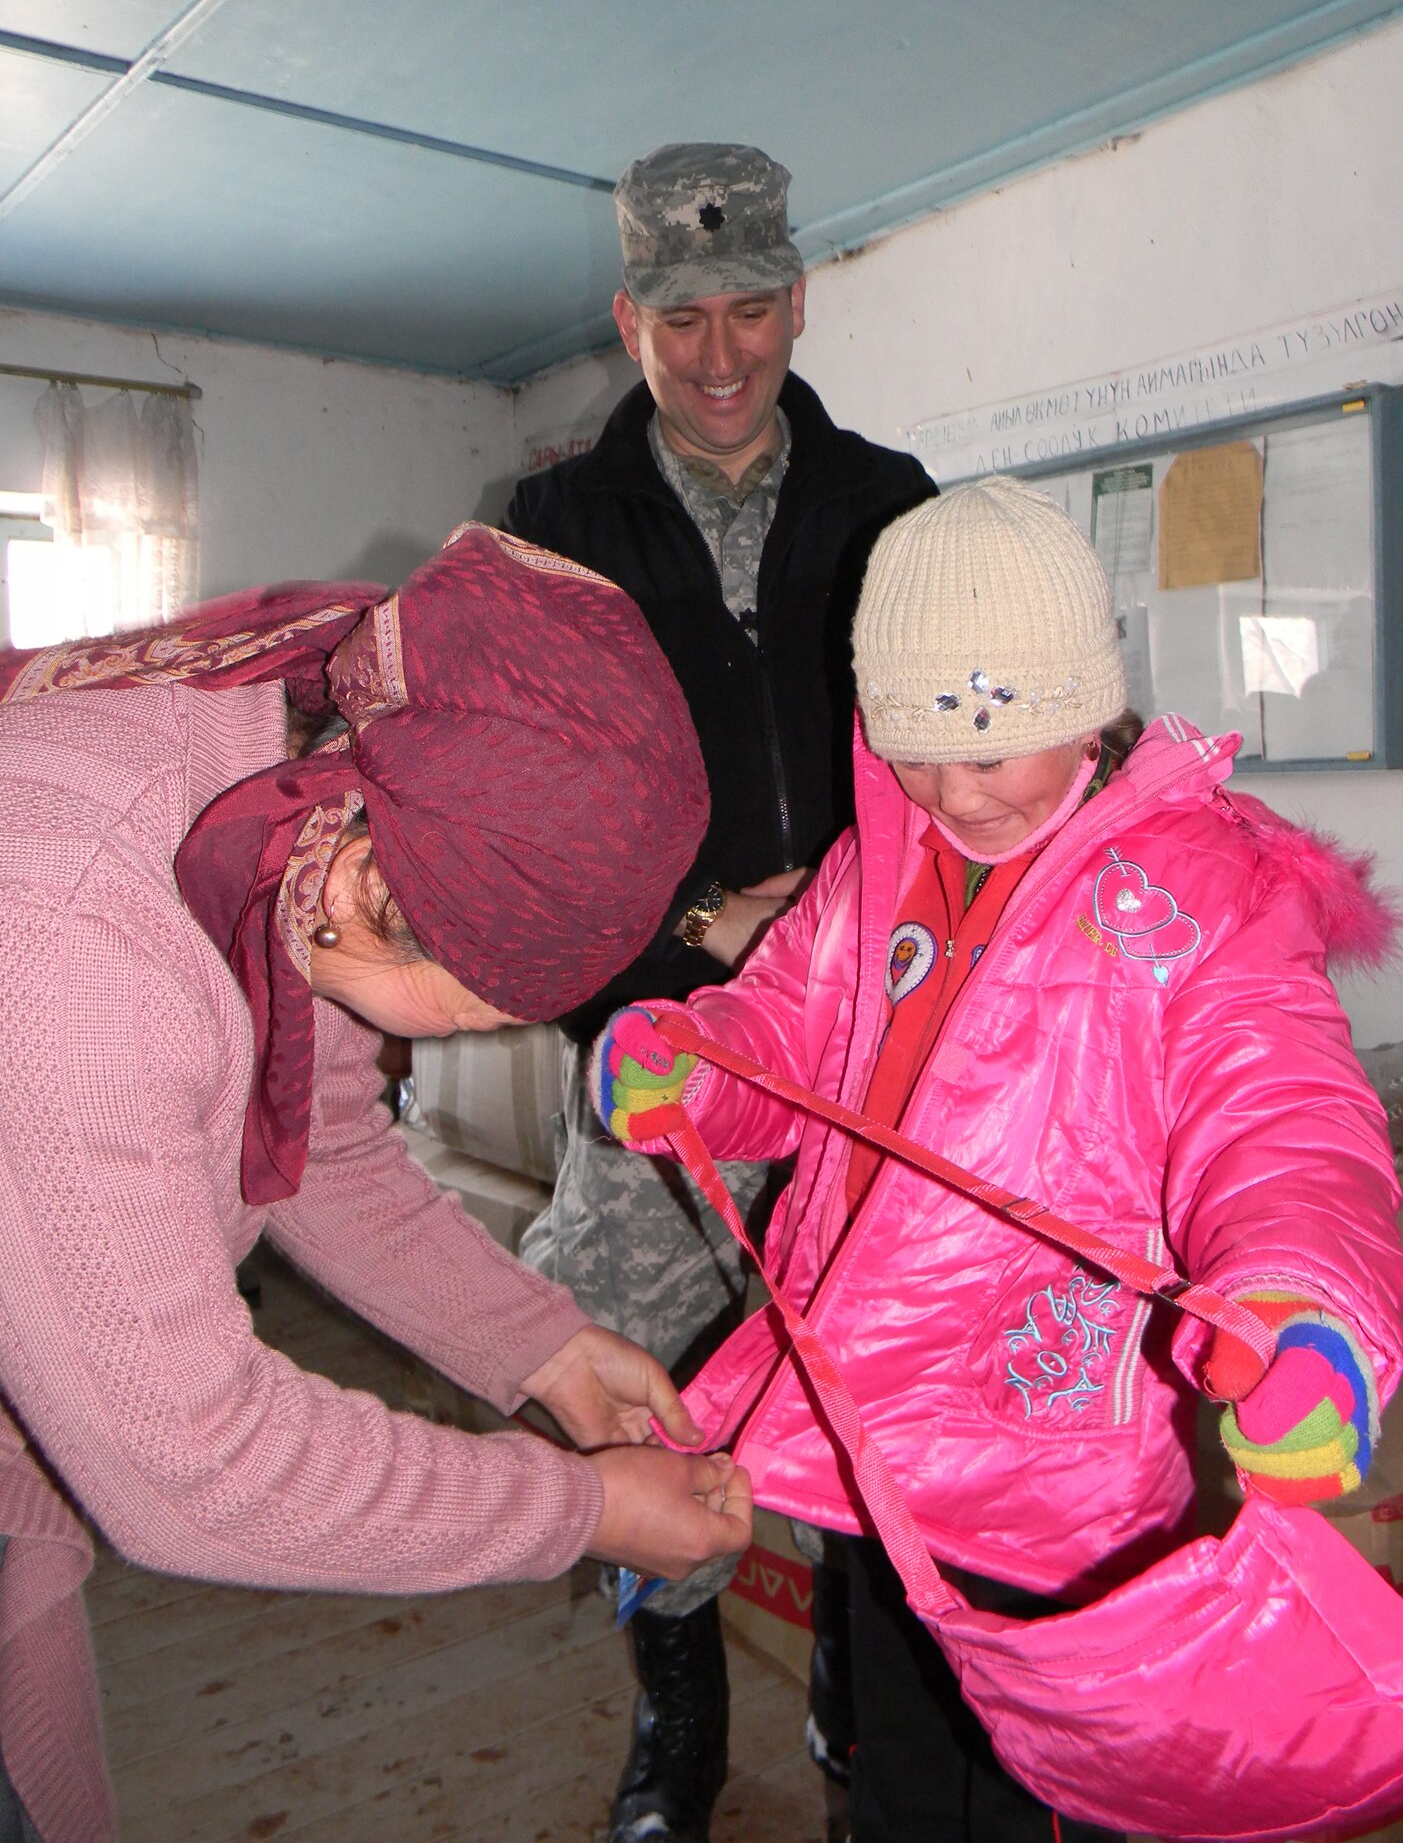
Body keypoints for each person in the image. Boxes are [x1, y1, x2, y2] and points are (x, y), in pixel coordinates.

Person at [592, 476, 1403, 1843]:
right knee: (905, 1778)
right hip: (880, 1439)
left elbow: (1283, 1122)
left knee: (1058, 1795)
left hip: (1064, 1482)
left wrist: (1303, 1308)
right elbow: (790, 1023)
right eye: (913, 748)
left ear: (1087, 706)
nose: (953, 790)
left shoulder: (1204, 892)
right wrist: (700, 1060)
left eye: (992, 744)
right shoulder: (876, 861)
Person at [0, 521, 754, 1843]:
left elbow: (319, 1138)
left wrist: (542, 1346)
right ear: (370, 880)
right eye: (477, 1003)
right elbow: (192, 1466)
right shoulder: (61, 949)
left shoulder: (305, 802)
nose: (474, 1032)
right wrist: (584, 1509)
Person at [506, 141, 934, 1841]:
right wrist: (698, 933)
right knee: (644, 1388)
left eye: (749, 308)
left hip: (859, 1053)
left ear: (799, 300)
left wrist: (827, 937)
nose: (720, 354)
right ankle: (678, 1707)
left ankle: (852, 1683)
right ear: (628, 322)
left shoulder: (895, 504)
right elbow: (525, 830)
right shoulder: (550, 532)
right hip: (655, 1048)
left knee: (867, 1375)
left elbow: (943, 777)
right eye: (680, 319)